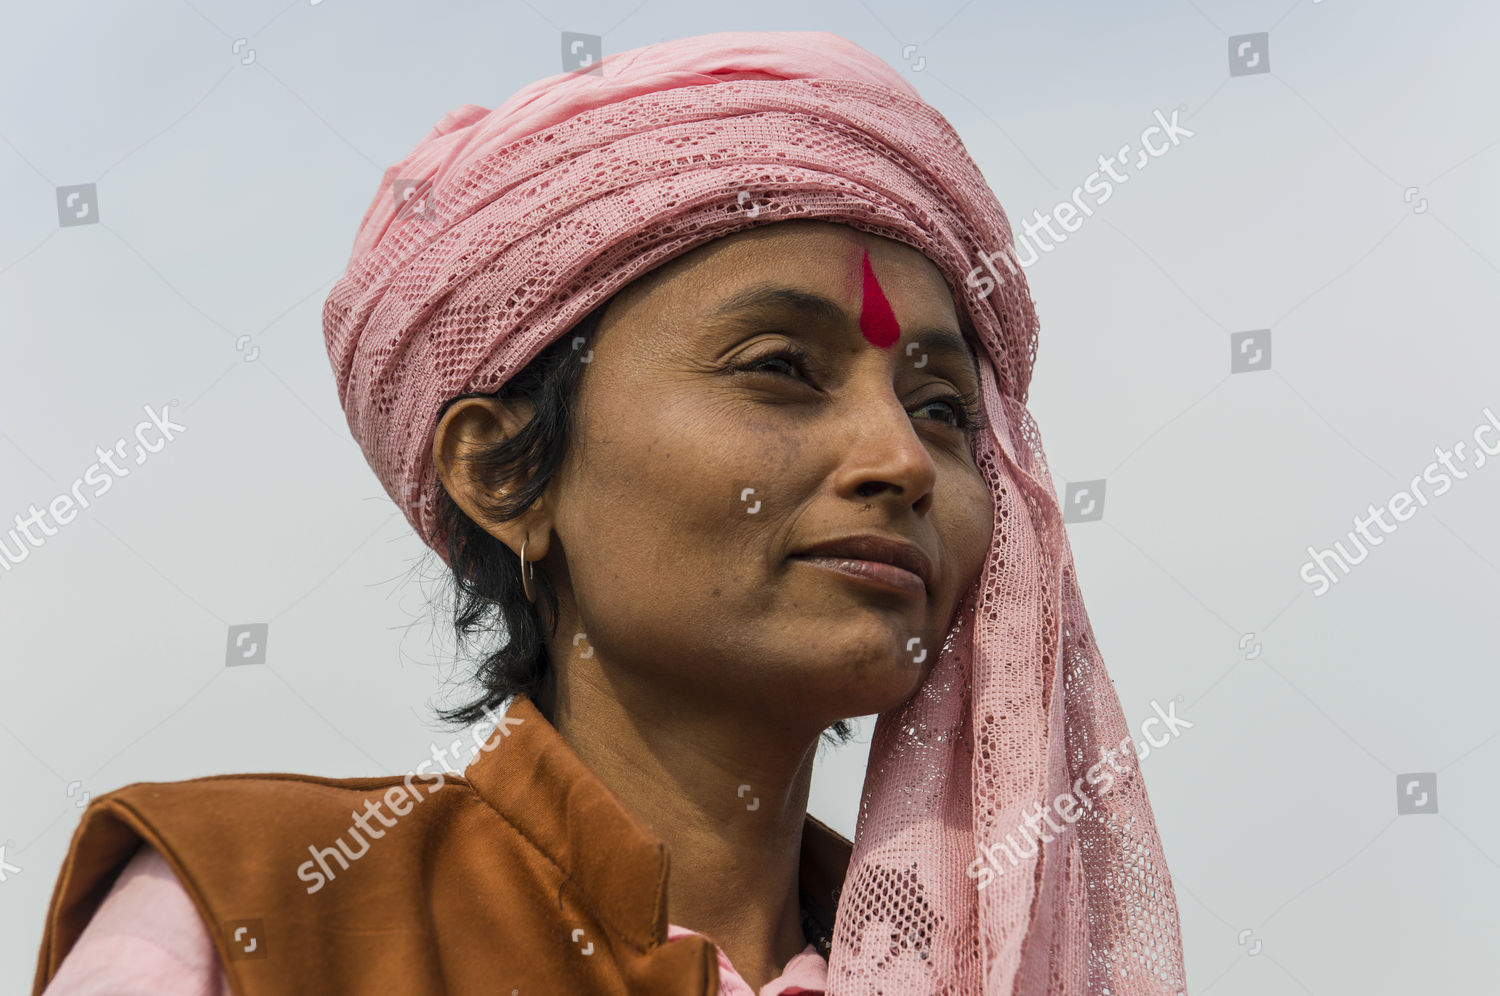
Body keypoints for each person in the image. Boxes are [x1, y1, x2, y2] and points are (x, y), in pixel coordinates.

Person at [32, 29, 1186, 996]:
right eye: (781, 367)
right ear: (503, 473)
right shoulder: (260, 912)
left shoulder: (1004, 959)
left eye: (942, 407)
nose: (901, 460)